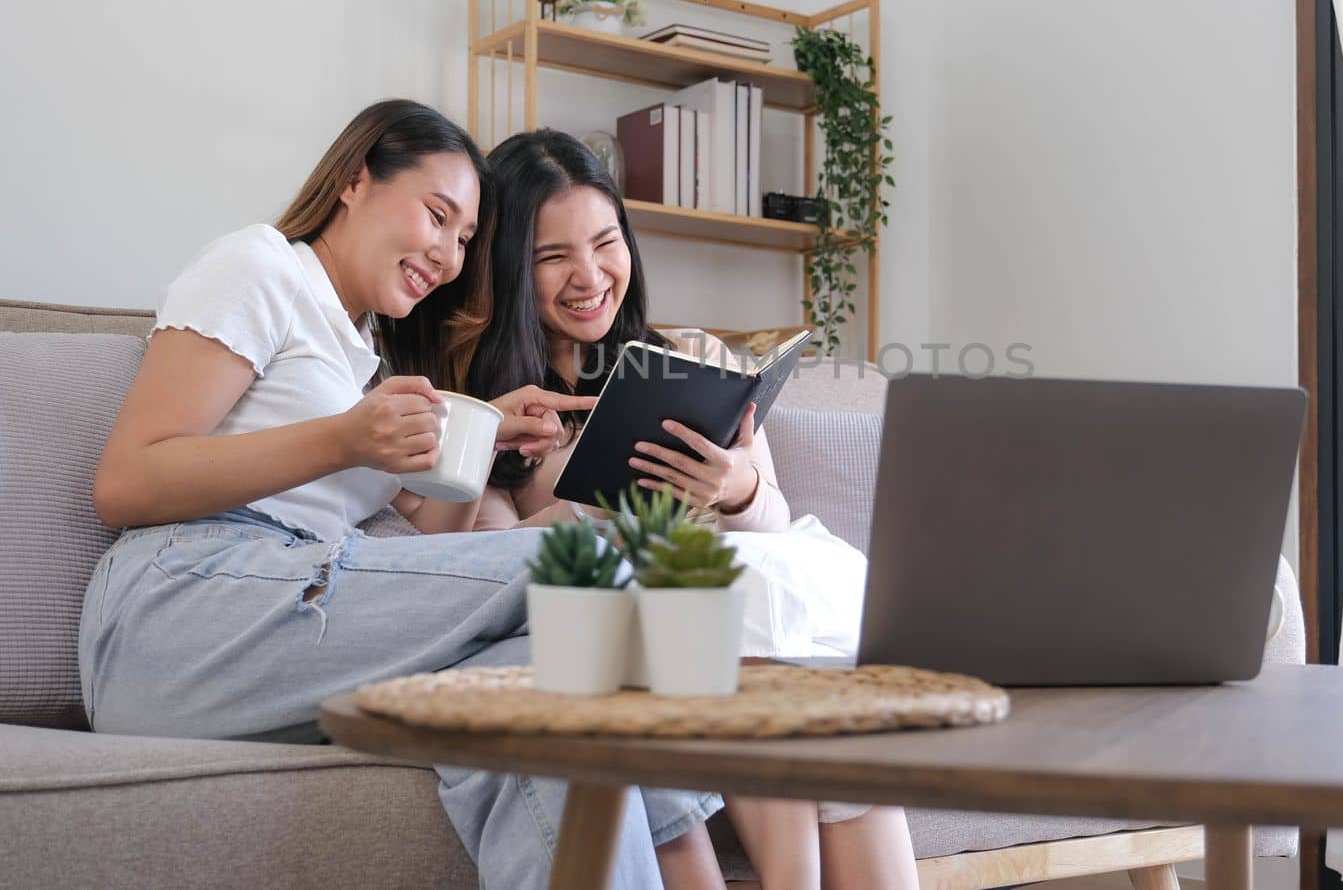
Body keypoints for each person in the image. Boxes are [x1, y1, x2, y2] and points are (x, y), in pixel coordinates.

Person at [79, 100, 722, 890]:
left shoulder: (365, 359)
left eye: (463, 239)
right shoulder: (261, 266)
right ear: (355, 180)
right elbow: (126, 481)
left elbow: (424, 551)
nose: (448, 255)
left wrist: (480, 438)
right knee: (595, 561)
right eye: (437, 215)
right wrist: (346, 438)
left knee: (544, 685)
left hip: (285, 620)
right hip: (175, 610)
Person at [466, 128, 919, 889]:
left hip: (755, 624)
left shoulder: (697, 357)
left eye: (606, 243)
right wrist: (601, 510)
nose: (590, 275)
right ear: (513, 267)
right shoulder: (502, 417)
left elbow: (774, 525)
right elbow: (481, 576)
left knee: (770, 606)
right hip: (640, 629)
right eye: (553, 258)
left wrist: (736, 487)